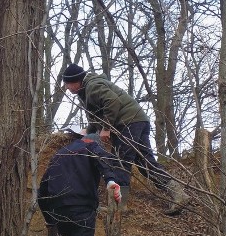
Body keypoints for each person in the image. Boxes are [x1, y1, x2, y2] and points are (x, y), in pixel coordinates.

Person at [61, 63, 188, 215]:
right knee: (146, 163)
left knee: (120, 162)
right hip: (138, 120)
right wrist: (87, 131)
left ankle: (118, 206)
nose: (67, 87)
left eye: (68, 84)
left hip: (128, 123)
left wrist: (106, 128)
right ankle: (179, 193)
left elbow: (113, 101)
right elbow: (97, 116)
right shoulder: (87, 89)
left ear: (77, 80)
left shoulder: (92, 87)